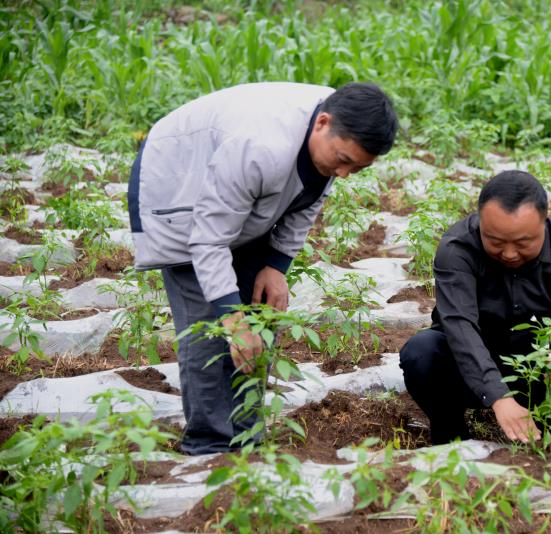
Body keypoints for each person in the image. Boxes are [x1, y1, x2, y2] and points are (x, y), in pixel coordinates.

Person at [128, 82, 398, 454]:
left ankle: (245, 437)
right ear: (322, 123)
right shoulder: (261, 147)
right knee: (208, 325)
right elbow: (206, 241)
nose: (345, 173)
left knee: (256, 312)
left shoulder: (336, 133)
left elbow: (307, 200)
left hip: (242, 200)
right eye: (343, 160)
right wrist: (231, 318)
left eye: (356, 167)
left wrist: (276, 264)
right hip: (179, 184)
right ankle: (210, 446)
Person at [399, 170, 551, 445]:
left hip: (539, 372)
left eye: (524, 243)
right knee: (421, 352)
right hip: (468, 369)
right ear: (480, 222)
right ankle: (450, 436)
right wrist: (498, 396)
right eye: (495, 242)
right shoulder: (457, 248)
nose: (509, 254)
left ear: (544, 223)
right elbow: (460, 327)